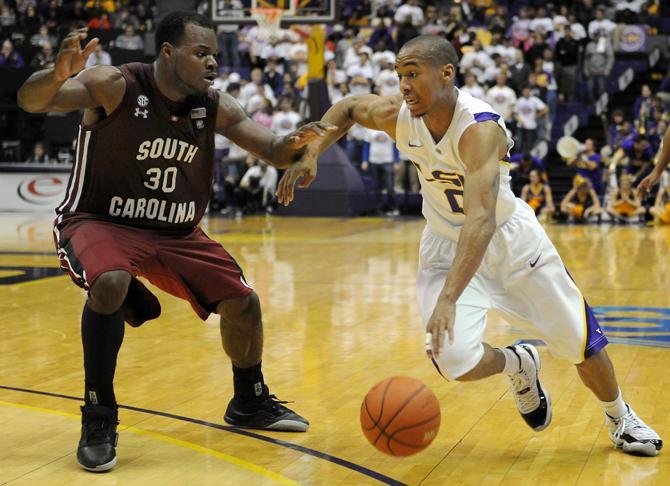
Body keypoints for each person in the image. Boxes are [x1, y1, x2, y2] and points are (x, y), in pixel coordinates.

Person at [277, 35, 662, 457]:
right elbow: (350, 108)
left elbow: (480, 220)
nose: (404, 85)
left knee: (580, 344)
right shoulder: (399, 115)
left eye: (413, 74)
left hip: (508, 243)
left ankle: (619, 416)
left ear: (446, 73)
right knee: (454, 360)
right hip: (445, 245)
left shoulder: (479, 127)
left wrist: (448, 297)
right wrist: (314, 147)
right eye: (399, 75)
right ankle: (519, 364)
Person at [17, 12, 333, 473]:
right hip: (99, 222)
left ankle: (249, 399)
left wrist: (301, 143)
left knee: (244, 302)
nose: (212, 64)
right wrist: (54, 74)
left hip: (175, 232)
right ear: (168, 52)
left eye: (215, 56)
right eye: (201, 53)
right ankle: (99, 414)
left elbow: (271, 148)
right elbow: (32, 102)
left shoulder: (215, 106)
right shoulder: (114, 85)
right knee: (111, 281)